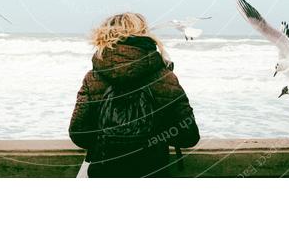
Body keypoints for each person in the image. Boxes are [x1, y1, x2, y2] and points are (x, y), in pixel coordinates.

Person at [69, 12, 199, 177]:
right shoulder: (165, 77)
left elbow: (79, 134)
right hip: (152, 172)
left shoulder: (94, 78)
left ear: (105, 35)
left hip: (105, 172)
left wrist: (108, 140)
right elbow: (188, 136)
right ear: (144, 34)